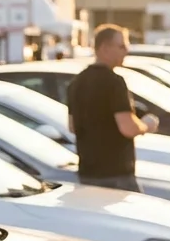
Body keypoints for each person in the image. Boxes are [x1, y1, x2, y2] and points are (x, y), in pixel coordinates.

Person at [67, 24, 158, 191]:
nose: (126, 51)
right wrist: (147, 124)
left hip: (87, 173)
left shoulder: (77, 82)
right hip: (116, 175)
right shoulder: (114, 82)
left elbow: (72, 126)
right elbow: (128, 128)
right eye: (122, 46)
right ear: (104, 48)